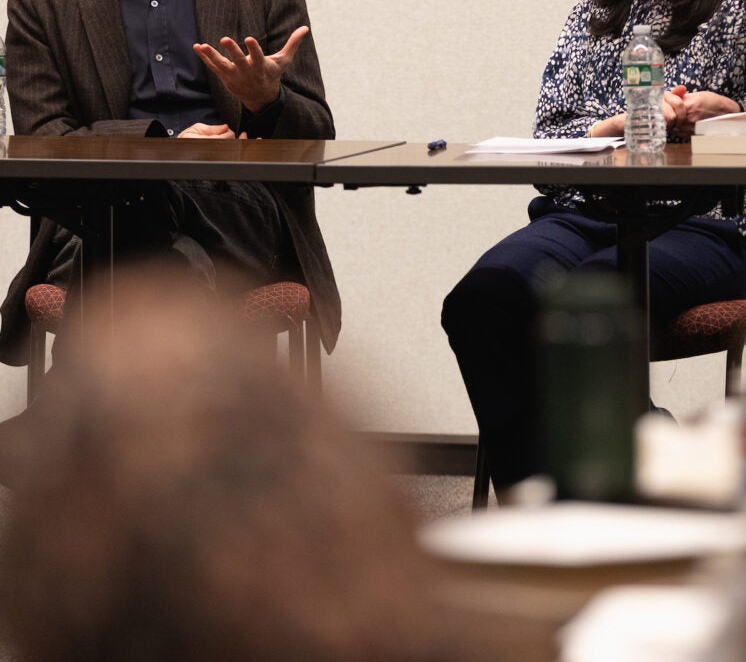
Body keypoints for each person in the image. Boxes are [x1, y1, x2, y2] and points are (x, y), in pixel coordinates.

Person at [441, 0, 746, 495]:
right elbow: (548, 138)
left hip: (701, 227)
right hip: (582, 216)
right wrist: (607, 127)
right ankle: (545, 497)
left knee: (581, 304)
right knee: (482, 299)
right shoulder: (598, 9)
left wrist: (734, 125)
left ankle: (630, 480)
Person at [0, 266, 543, 662]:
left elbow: (310, 122)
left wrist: (266, 104)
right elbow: (46, 128)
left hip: (232, 221)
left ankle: (55, 433)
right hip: (94, 234)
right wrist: (157, 137)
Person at [0, 0, 340, 366]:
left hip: (238, 213)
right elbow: (43, 146)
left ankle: (80, 424)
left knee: (141, 241)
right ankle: (204, 442)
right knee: (164, 246)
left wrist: (268, 100)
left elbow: (317, 135)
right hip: (91, 215)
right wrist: (165, 150)